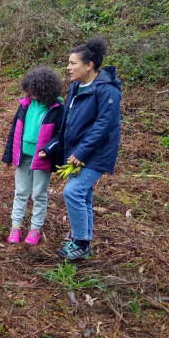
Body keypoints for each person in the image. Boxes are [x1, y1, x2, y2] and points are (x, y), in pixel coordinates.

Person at [55, 37, 121, 261]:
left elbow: (103, 126)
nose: (68, 67)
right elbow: (68, 120)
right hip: (76, 152)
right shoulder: (75, 87)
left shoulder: (107, 91)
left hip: (96, 154)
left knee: (72, 192)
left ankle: (81, 243)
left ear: (89, 65)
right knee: (83, 195)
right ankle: (82, 241)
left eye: (73, 63)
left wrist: (81, 152)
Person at [1, 67, 64, 246]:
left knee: (39, 194)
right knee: (20, 192)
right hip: (23, 156)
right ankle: (15, 227)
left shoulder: (57, 109)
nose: (32, 93)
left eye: (36, 90)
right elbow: (14, 130)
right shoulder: (25, 105)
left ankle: (35, 229)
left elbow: (59, 135)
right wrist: (8, 156)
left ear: (45, 90)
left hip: (43, 159)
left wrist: (48, 149)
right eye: (30, 89)